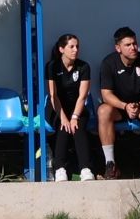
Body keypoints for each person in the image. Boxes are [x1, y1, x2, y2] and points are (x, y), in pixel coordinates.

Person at [96, 27, 140, 179]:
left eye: (134, 43)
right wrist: (124, 106)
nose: (133, 47)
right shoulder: (109, 63)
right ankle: (110, 165)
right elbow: (106, 95)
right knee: (103, 111)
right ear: (118, 48)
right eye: (127, 45)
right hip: (119, 108)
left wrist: (139, 105)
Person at [43, 33, 102, 180]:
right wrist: (63, 118)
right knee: (63, 127)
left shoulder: (83, 67)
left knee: (78, 127)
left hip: (77, 107)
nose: (75, 50)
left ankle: (85, 168)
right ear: (61, 49)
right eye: (71, 47)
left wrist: (75, 116)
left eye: (77, 46)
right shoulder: (52, 66)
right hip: (56, 107)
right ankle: (60, 168)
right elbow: (53, 95)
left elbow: (83, 95)